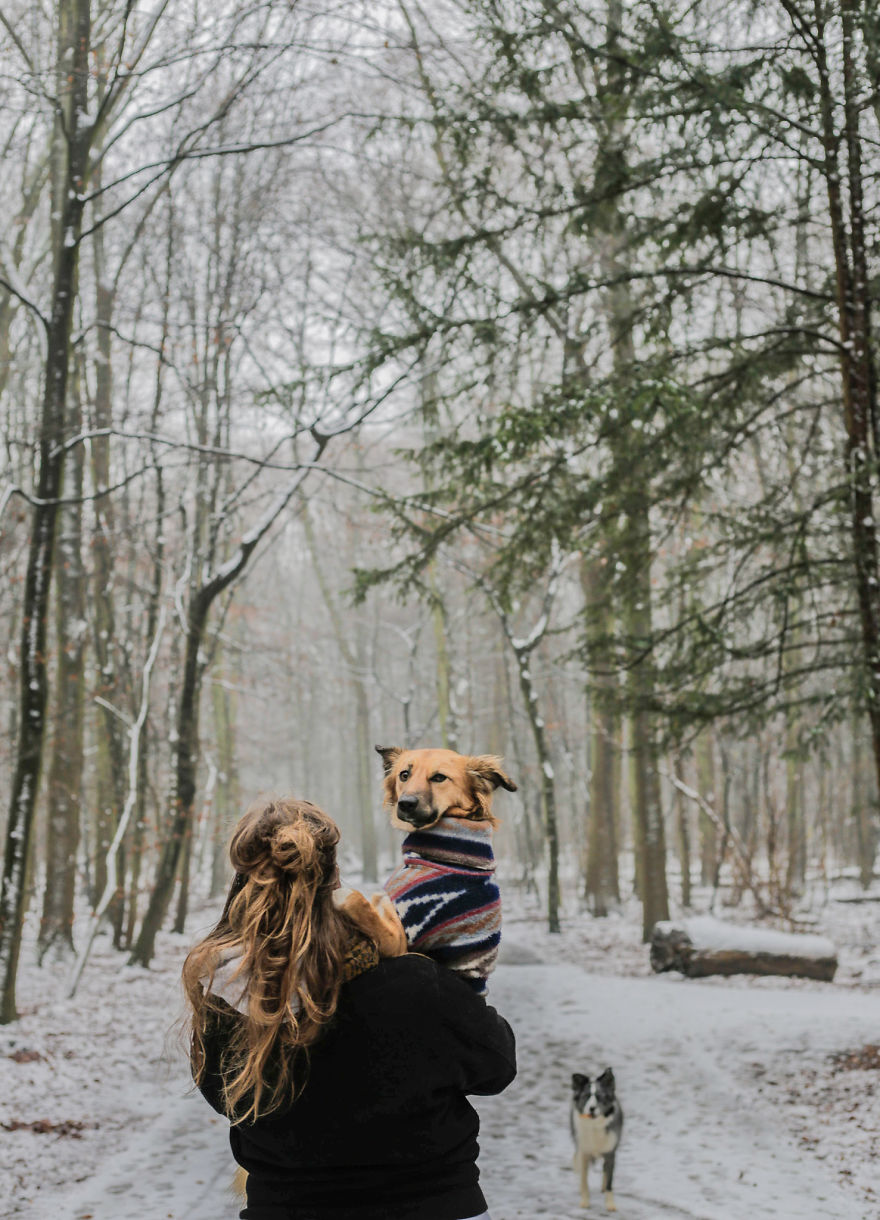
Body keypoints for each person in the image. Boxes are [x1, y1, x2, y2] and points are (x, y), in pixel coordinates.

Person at [182, 796, 516, 1220]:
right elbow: (496, 1065)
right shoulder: (414, 983)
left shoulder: (225, 994)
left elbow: (227, 1101)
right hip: (436, 1205)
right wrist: (409, 963)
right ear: (334, 878)